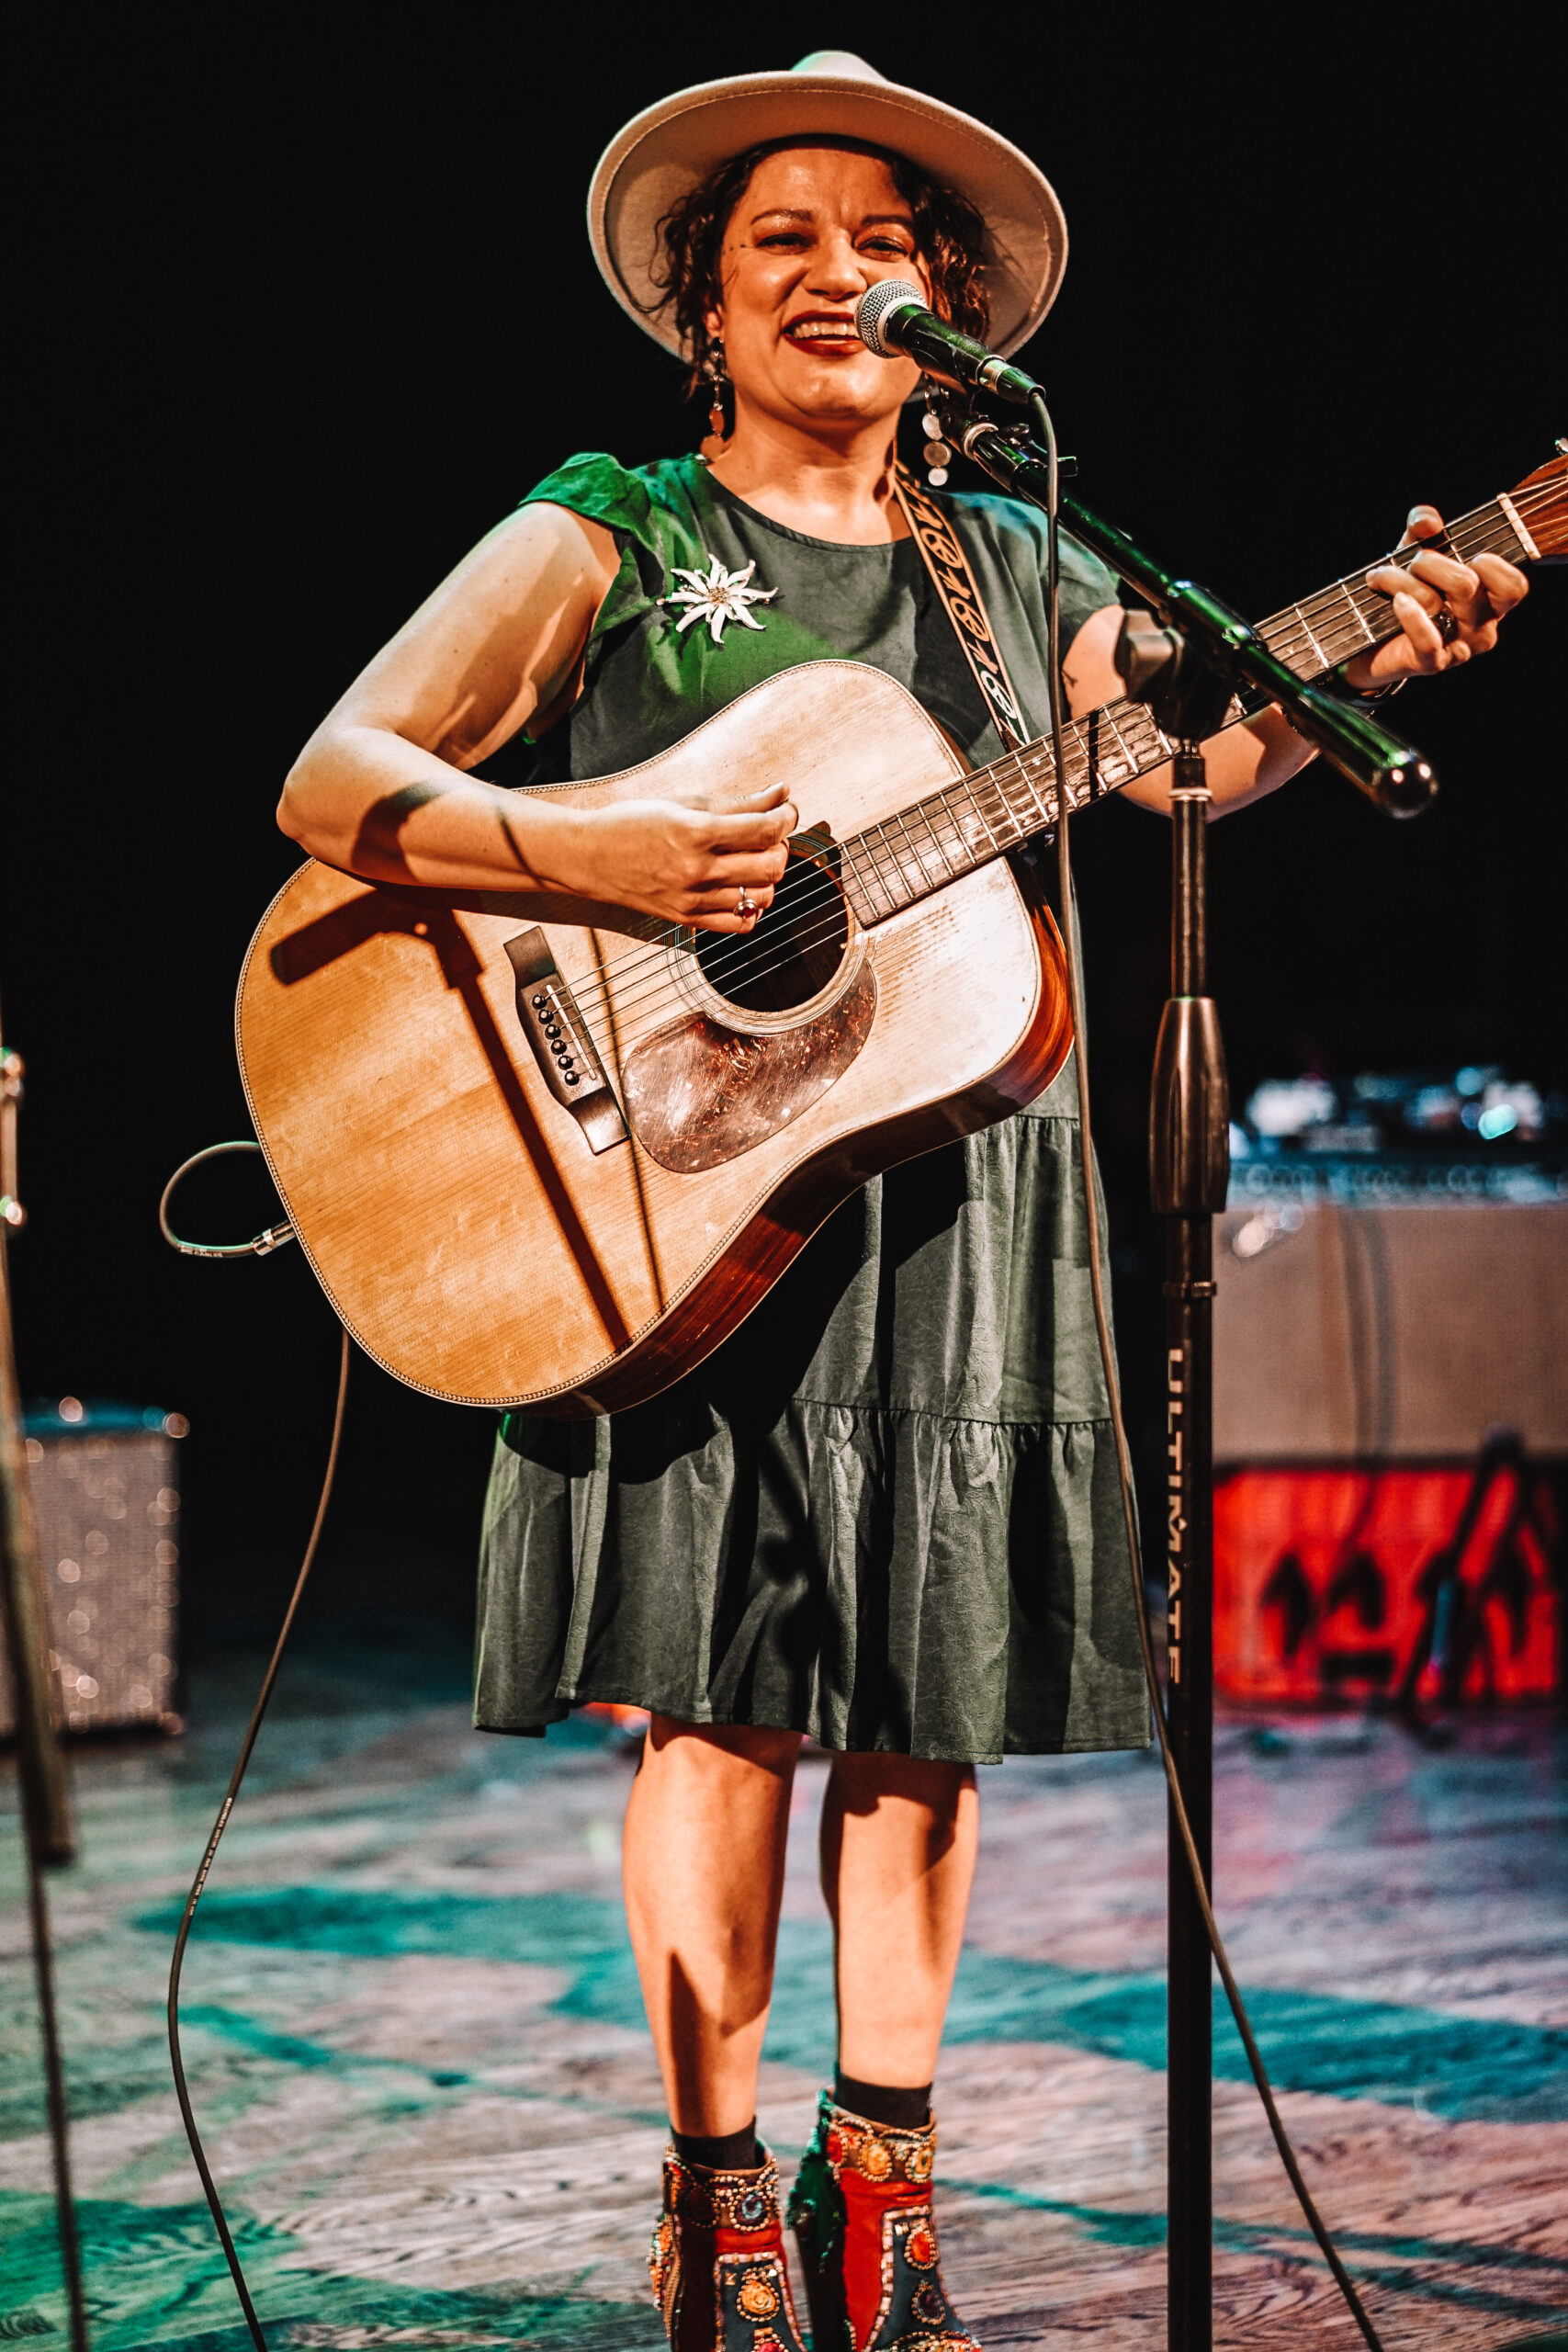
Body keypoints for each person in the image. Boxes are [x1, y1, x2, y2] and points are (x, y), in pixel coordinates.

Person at [278, 51, 1529, 2352]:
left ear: (950, 304)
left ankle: (884, 2203)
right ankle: (716, 2199)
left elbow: (1170, 754)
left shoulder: (1010, 551)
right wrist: (606, 852)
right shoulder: (611, 532)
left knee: (916, 1708)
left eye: (887, 244)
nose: (844, 273)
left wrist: (1359, 640)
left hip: (961, 1199)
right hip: (666, 1187)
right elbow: (337, 776)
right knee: (712, 1712)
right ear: (703, 309)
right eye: (787, 240)